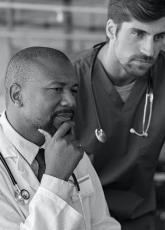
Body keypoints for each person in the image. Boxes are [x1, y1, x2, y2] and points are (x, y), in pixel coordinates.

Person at [70, 0, 165, 229]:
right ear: (111, 30)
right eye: (138, 34)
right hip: (78, 219)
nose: (149, 51)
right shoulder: (68, 79)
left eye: (158, 37)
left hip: (136, 220)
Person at [0, 47, 121, 230]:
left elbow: (103, 225)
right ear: (17, 95)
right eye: (57, 89)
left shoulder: (71, 151)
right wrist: (55, 179)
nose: (70, 101)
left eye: (72, 90)